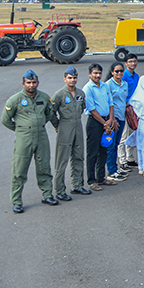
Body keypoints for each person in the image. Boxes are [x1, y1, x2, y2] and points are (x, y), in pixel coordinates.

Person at [2, 70, 58, 213]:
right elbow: (5, 120)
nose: (31, 85)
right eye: (28, 83)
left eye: (34, 82)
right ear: (23, 84)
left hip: (41, 136)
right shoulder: (15, 100)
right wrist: (20, 129)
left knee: (44, 166)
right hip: (24, 137)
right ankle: (17, 201)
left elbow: (49, 114)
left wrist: (39, 124)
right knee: (19, 169)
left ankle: (47, 195)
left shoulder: (44, 97)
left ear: (37, 83)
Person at [51, 66, 90, 199]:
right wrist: (58, 125)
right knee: (62, 160)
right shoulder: (59, 95)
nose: (72, 80)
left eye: (74, 77)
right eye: (70, 78)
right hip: (65, 127)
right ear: (65, 79)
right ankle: (60, 191)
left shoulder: (80, 93)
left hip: (77, 125)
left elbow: (82, 108)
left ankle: (77, 185)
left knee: (78, 156)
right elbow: (51, 112)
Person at [84, 63, 117, 191]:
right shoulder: (88, 88)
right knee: (92, 152)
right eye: (95, 73)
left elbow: (110, 103)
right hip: (95, 122)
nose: (97, 76)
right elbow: (91, 109)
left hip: (106, 120)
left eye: (99, 73)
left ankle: (101, 177)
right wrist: (105, 124)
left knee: (104, 150)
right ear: (89, 74)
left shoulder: (104, 86)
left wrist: (110, 119)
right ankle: (91, 180)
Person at [104, 62, 129, 183]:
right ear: (112, 72)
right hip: (113, 118)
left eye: (121, 71)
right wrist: (112, 119)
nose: (119, 73)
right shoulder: (108, 84)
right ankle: (111, 171)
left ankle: (116, 168)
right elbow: (109, 102)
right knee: (111, 145)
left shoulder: (124, 84)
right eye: (117, 71)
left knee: (118, 143)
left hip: (122, 117)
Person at [117, 52, 139, 172]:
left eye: (134, 61)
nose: (133, 63)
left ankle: (130, 158)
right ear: (126, 63)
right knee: (124, 135)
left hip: (134, 108)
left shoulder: (136, 76)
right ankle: (122, 160)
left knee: (132, 134)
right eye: (130, 61)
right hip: (125, 108)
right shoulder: (124, 76)